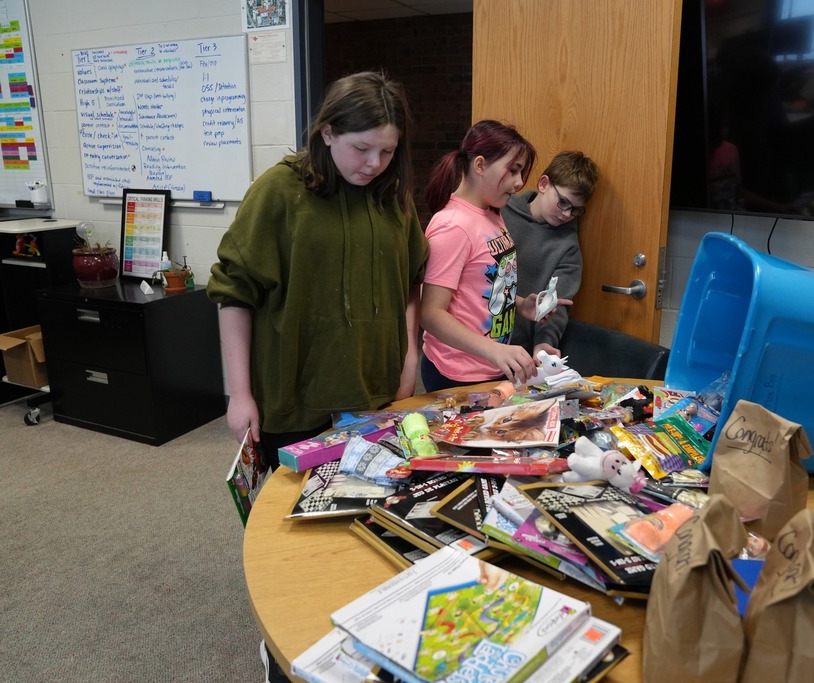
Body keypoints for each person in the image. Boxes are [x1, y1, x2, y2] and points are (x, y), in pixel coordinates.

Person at [207, 70, 428, 470]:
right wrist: (239, 394)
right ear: (327, 133)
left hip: (378, 392)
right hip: (294, 400)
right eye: (361, 148)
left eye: (388, 151)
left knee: (371, 510)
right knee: (297, 516)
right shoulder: (278, 191)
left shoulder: (393, 197)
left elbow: (412, 282)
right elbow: (234, 295)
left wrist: (410, 358)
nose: (375, 163)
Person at [419, 120, 569, 392]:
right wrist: (494, 351)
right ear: (479, 166)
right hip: (458, 374)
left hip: (491, 367)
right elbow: (430, 313)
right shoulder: (453, 225)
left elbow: (483, 286)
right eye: (513, 170)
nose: (519, 182)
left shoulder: (491, 212)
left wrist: (522, 305)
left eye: (521, 172)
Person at [500, 150, 598, 358]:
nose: (566, 214)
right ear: (543, 184)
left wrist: (544, 343)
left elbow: (557, 305)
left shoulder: (568, 248)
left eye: (576, 210)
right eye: (563, 202)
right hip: (472, 341)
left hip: (517, 352)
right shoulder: (500, 212)